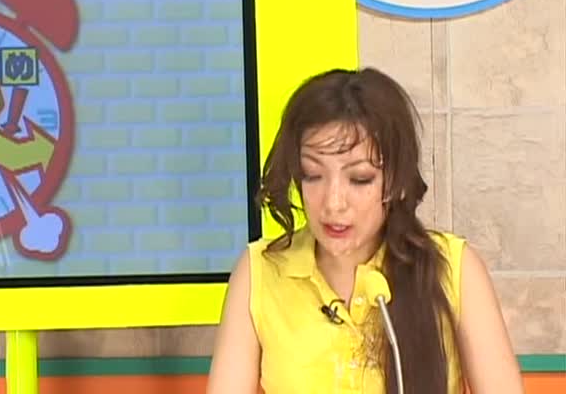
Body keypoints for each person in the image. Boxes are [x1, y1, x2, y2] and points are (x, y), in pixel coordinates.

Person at [206, 68, 524, 394]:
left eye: (359, 179)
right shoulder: (259, 273)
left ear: (397, 182)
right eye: (312, 175)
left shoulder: (455, 270)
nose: (333, 203)